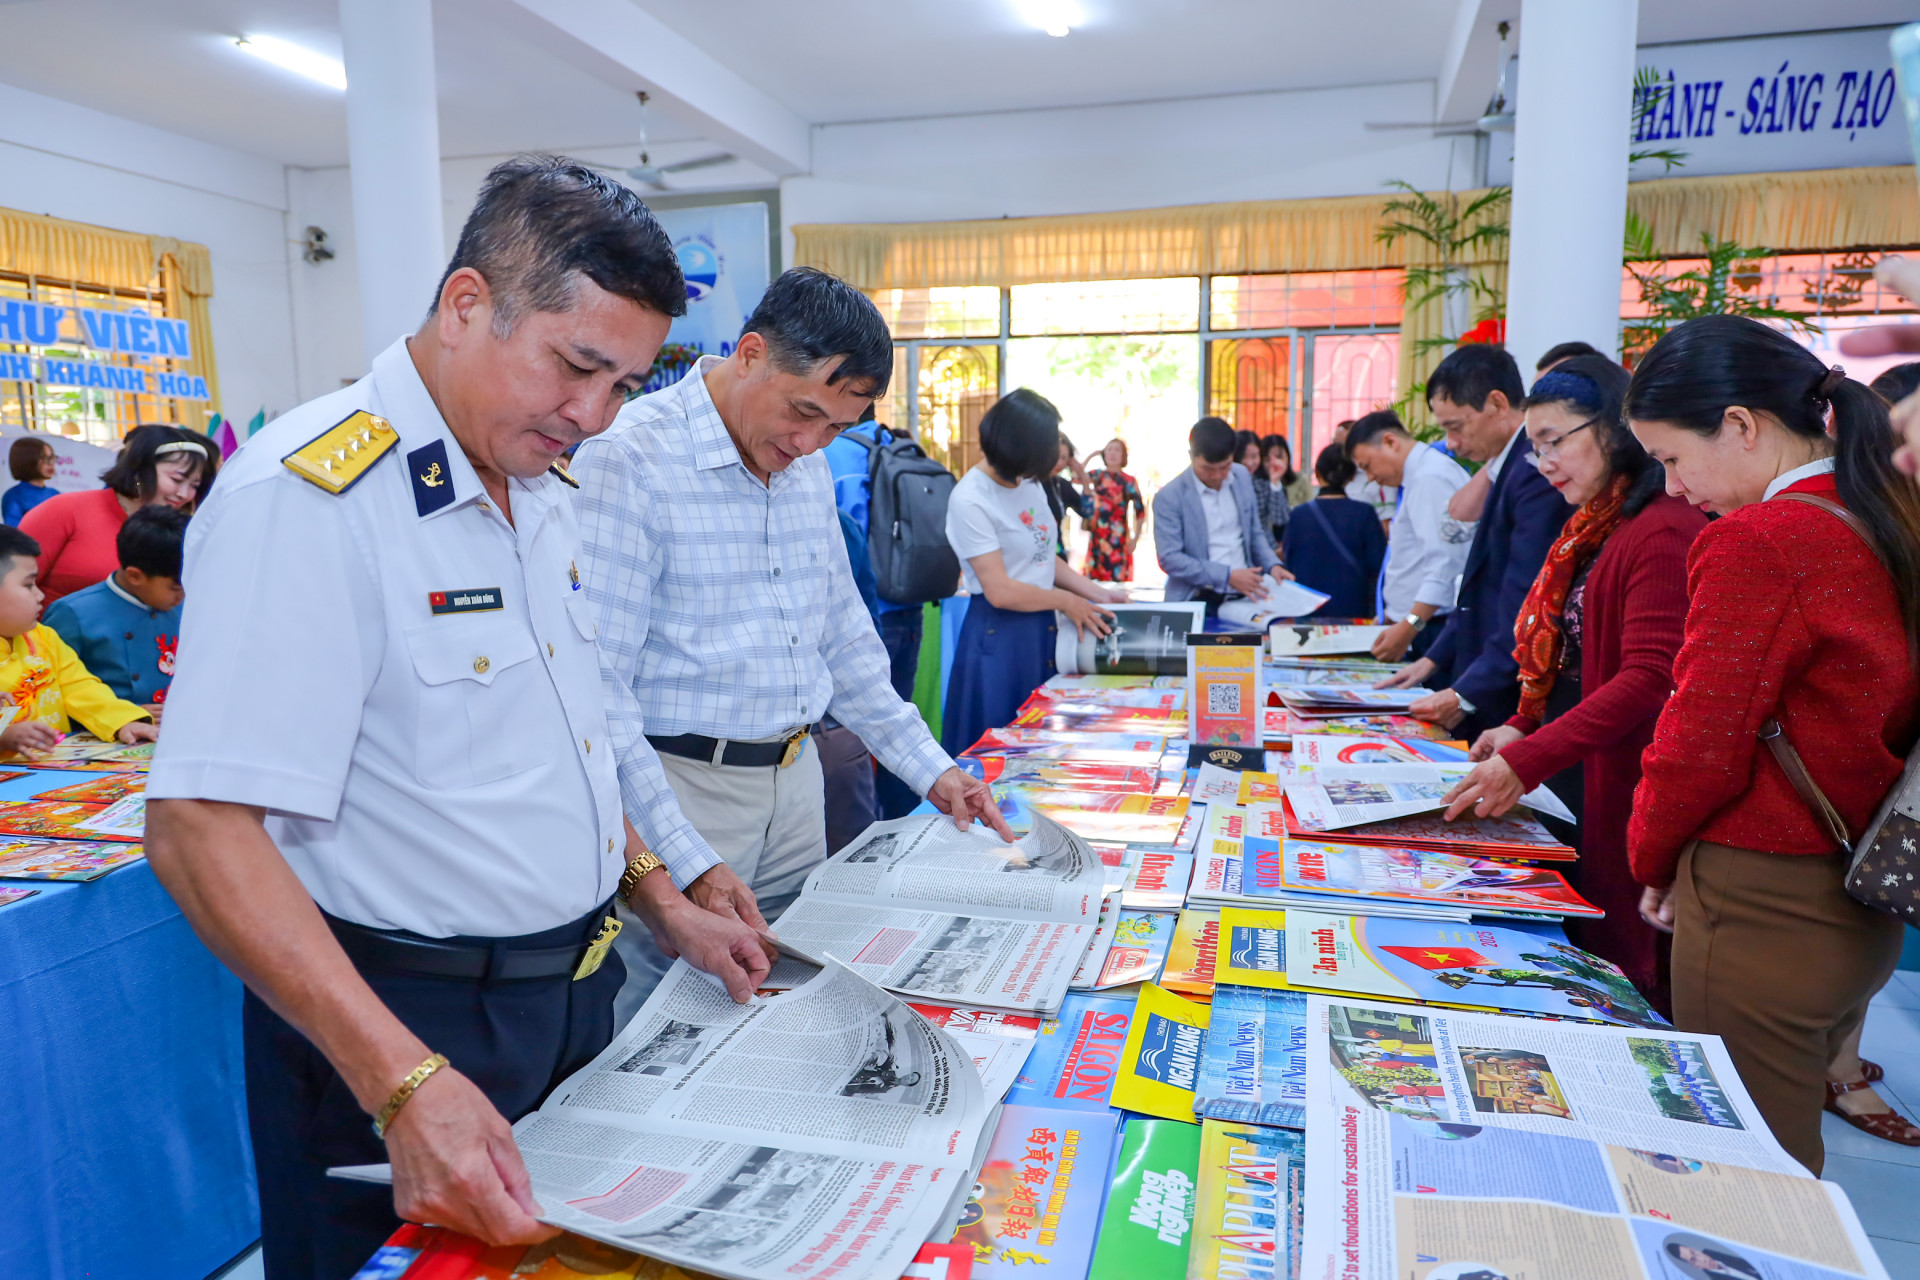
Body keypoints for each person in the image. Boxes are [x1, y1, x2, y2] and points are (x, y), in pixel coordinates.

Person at [141, 156, 775, 1277]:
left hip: (572, 1003)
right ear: (468, 303)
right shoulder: (312, 498)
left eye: (626, 383)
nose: (593, 414)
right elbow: (198, 826)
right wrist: (401, 1080)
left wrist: (662, 901)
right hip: (403, 1029)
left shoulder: (540, 482)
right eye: (576, 366)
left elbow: (565, 751)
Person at [573, 266, 1014, 1002]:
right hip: (682, 791)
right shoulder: (630, 459)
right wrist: (687, 861)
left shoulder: (801, 466)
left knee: (795, 1000)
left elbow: (844, 643)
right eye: (802, 411)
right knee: (678, 1009)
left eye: (837, 429)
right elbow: (599, 694)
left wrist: (934, 771)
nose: (811, 443)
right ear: (749, 354)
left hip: (795, 784)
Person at [1626, 314, 1920, 1174]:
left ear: (1742, 425)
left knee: (1747, 1177)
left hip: (1766, 897)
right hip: (1861, 889)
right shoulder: (1884, 508)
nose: (1675, 490)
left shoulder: (1762, 539)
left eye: (1674, 459)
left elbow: (1698, 741)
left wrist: (1652, 855)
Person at [1436, 356, 1706, 1013]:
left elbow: (1647, 678)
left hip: (1624, 776)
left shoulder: (1662, 528)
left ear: (1615, 430)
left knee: (1621, 966)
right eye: (1533, 448)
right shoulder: (1597, 523)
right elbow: (1575, 661)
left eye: (1555, 440)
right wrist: (1521, 724)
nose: (1544, 461)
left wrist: (1526, 757)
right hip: (1583, 768)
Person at [1381, 344, 1570, 735]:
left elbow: (1523, 595)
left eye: (1456, 425)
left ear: (1497, 403)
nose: (1450, 441)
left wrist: (1468, 692)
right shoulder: (1504, 464)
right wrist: (1433, 660)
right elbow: (1477, 583)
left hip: (1505, 686)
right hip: (1480, 667)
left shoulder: (1534, 469)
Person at [941, 388, 1127, 755]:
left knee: (1040, 748)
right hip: (999, 636)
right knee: (998, 750)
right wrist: (1067, 600)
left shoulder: (1028, 483)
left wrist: (1097, 592)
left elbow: (1043, 555)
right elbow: (1000, 590)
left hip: (1042, 627)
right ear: (1017, 448)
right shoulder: (970, 499)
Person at [822, 405, 927, 820]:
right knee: (895, 715)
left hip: (866, 611)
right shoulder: (903, 446)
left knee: (855, 734)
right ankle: (900, 825)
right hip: (910, 607)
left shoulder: (829, 457)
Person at [0, 524, 158, 757]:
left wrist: (123, 722)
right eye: (28, 585)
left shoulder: (43, 637)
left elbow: (80, 687)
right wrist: (4, 737)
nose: (40, 595)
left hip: (53, 773)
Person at [21, 424, 211, 605]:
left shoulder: (184, 531)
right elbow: (10, 584)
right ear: (139, 470)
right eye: (176, 479)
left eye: (194, 485)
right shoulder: (64, 510)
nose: (184, 494)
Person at [1344, 409, 1467, 658]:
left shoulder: (1429, 479)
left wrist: (1410, 625)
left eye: (1367, 466)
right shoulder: (1417, 478)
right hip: (1415, 625)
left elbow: (1445, 565)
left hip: (1428, 627)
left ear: (1390, 442)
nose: (1370, 478)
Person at [43, 504, 188, 711]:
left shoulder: (186, 607)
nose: (183, 595)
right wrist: (123, 714)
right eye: (176, 588)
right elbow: (51, 691)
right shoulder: (73, 613)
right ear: (135, 576)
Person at [1154, 416, 1294, 609]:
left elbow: (1254, 533)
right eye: (1208, 469)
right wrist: (1227, 576)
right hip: (1196, 597)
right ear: (1191, 455)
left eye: (1225, 467)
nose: (1217, 476)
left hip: (1246, 593)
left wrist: (1273, 565)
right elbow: (1171, 558)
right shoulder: (1170, 496)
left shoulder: (1241, 476)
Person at [1282, 444, 1388, 619]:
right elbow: (1378, 564)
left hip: (1307, 611)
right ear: (1352, 476)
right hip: (1354, 611)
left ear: (1317, 473)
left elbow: (1290, 560)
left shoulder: (1298, 515)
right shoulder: (1365, 513)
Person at [1083, 436, 1145, 582]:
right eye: (1109, 449)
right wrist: (1092, 455)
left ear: (1123, 455)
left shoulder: (1129, 481)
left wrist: (1135, 538)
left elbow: (1140, 512)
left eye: (1117, 450)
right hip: (1097, 535)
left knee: (1117, 580)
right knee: (1093, 582)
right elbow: (1076, 476)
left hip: (1118, 538)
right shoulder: (1097, 475)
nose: (1112, 453)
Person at [1043, 431, 1093, 560]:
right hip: (1035, 555)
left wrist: (1084, 478)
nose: (1059, 463)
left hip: (1058, 554)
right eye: (1056, 456)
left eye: (1064, 458)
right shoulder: (1030, 482)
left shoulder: (1062, 485)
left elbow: (1087, 512)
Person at [1248, 434, 1291, 552]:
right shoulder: (1258, 484)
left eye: (1279, 457)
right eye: (1267, 459)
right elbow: (1277, 519)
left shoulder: (1299, 481)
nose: (1274, 463)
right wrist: (1274, 482)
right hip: (1270, 548)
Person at [3, 436, 58, 527]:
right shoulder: (14, 496)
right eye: (44, 458)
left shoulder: (55, 494)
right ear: (27, 460)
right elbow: (15, 534)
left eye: (52, 458)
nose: (51, 463)